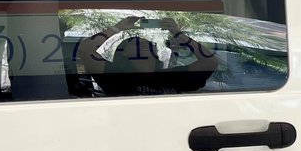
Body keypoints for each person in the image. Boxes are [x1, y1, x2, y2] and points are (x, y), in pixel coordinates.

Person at [78, 15, 217, 96]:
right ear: (124, 51)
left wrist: (177, 33)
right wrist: (117, 28)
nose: (144, 45)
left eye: (148, 44)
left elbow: (210, 62)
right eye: (136, 43)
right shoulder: (115, 76)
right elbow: (86, 50)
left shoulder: (172, 76)